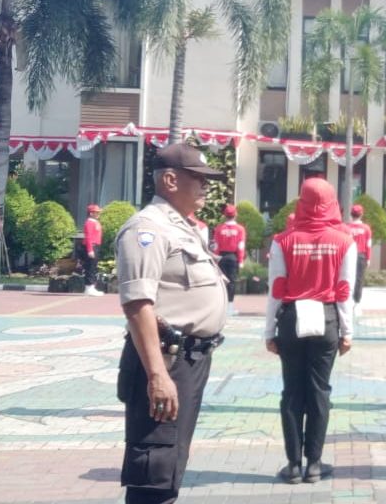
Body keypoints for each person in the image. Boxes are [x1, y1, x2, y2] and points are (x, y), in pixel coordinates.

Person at [114, 143, 227, 504]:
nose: (205, 188)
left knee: (170, 465)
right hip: (166, 360)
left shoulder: (181, 227)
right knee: (154, 470)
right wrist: (158, 376)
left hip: (188, 360)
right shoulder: (147, 228)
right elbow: (137, 304)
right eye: (199, 180)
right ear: (169, 180)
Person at [264, 178, 356, 484]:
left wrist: (268, 331)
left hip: (291, 319)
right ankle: (314, 464)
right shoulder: (345, 240)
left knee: (292, 391)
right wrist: (347, 331)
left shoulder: (283, 240)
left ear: (300, 201)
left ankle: (292, 465)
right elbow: (345, 290)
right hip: (327, 319)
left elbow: (275, 289)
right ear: (332, 203)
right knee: (319, 391)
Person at [213, 204, 246, 317]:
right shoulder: (240, 229)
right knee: (232, 282)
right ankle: (230, 307)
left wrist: (216, 259)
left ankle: (221, 307)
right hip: (233, 257)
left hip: (221, 257)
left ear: (224, 215)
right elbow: (241, 246)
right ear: (235, 214)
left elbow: (216, 246)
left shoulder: (219, 229)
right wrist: (241, 260)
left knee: (221, 281)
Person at [346, 204, 372, 315]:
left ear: (351, 214)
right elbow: (368, 244)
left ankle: (348, 300)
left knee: (347, 277)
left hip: (347, 255)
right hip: (361, 255)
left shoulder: (347, 228)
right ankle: (357, 303)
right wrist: (369, 258)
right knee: (359, 279)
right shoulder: (366, 228)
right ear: (361, 214)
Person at [82, 204, 104, 296]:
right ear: (91, 213)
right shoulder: (89, 223)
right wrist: (90, 250)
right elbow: (89, 237)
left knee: (93, 267)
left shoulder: (94, 222)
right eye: (96, 212)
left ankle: (91, 287)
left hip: (95, 246)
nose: (98, 214)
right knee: (90, 267)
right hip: (92, 246)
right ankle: (89, 287)